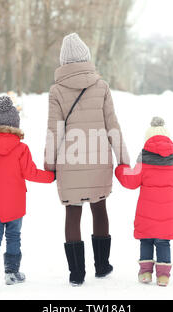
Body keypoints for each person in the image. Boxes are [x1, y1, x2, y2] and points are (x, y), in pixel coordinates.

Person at [44, 33, 130, 286]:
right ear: (86, 58)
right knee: (99, 207)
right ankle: (102, 266)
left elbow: (54, 132)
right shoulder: (101, 86)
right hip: (99, 159)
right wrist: (123, 159)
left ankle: (76, 273)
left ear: (63, 61)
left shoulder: (56, 90)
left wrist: (49, 164)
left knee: (72, 212)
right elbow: (113, 126)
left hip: (69, 163)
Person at [0, 96, 55, 291]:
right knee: (13, 236)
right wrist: (51, 176)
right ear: (15, 124)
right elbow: (31, 173)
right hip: (15, 203)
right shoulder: (21, 148)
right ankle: (11, 272)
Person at [115, 117, 173, 286]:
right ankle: (163, 276)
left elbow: (130, 182)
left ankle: (145, 273)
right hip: (168, 216)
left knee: (146, 240)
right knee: (163, 242)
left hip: (145, 214)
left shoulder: (142, 165)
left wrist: (119, 169)